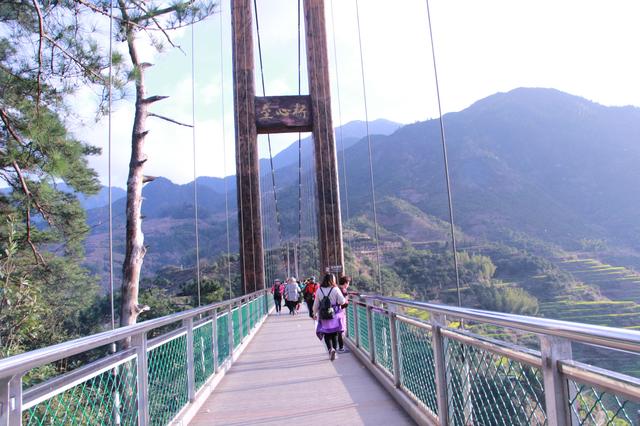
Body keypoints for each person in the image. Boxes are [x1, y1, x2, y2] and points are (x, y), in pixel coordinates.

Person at [313, 274, 345, 361]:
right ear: (332, 280)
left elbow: (316, 303)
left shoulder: (319, 289)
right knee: (334, 333)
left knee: (326, 334)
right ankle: (334, 349)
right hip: (334, 314)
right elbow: (342, 301)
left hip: (323, 315)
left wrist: (314, 313)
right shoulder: (335, 289)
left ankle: (330, 349)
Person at [336, 275, 351, 352]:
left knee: (336, 329)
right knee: (341, 330)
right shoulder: (344, 291)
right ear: (345, 283)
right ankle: (341, 348)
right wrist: (347, 302)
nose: (348, 285)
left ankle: (336, 347)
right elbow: (344, 303)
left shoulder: (336, 289)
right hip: (340, 312)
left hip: (334, 311)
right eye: (348, 283)